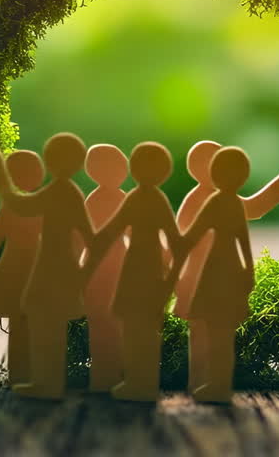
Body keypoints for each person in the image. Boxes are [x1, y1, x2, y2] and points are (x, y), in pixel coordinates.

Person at [0, 116, 94, 400]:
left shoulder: (58, 192)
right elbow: (89, 238)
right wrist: (82, 270)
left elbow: (17, 202)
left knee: (44, 320)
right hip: (59, 267)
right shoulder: (69, 192)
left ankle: (47, 384)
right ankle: (46, 380)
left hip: (51, 268)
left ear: (50, 161)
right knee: (46, 320)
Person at [173, 142, 279, 388]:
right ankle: (203, 381)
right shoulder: (202, 199)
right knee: (205, 331)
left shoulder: (224, 200)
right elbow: (186, 238)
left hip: (215, 274)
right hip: (201, 275)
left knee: (213, 332)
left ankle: (212, 383)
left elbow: (258, 208)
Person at [85, 142, 186, 401]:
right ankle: (133, 380)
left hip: (137, 266)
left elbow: (113, 230)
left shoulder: (135, 198)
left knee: (136, 326)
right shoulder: (146, 198)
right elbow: (116, 230)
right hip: (137, 266)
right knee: (134, 325)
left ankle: (140, 383)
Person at [178, 146, 258, 403]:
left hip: (215, 268)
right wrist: (248, 267)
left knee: (212, 327)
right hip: (232, 265)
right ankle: (213, 383)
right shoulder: (234, 202)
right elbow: (243, 240)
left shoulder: (217, 201)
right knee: (222, 331)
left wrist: (175, 253)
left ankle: (214, 384)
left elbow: (193, 233)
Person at [0, 149, 45, 386]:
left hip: (35, 267)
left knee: (31, 321)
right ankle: (19, 372)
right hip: (15, 266)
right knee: (19, 321)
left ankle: (30, 371)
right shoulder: (11, 206)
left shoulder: (38, 205)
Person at [82, 143, 129, 392]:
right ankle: (104, 374)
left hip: (117, 262)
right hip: (101, 265)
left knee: (113, 321)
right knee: (101, 322)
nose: (122, 170)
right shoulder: (96, 200)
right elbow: (86, 234)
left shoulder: (120, 197)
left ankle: (115, 372)